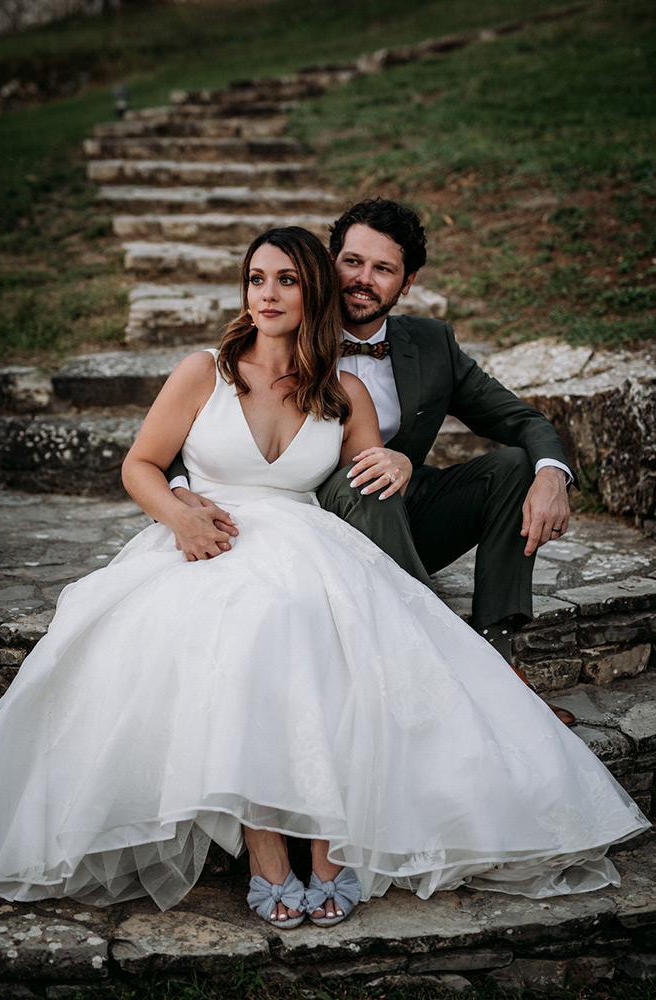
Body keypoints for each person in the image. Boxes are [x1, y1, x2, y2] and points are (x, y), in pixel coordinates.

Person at [0, 227, 648, 927]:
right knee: (245, 626)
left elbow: (372, 485)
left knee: (317, 624)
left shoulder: (345, 390)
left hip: (309, 538)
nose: (267, 294)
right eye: (255, 279)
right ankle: (268, 848)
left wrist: (400, 465)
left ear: (314, 291)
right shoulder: (202, 371)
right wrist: (177, 515)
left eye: (286, 281)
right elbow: (139, 465)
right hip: (210, 536)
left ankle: (330, 844)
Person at [168, 198, 577, 724]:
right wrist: (181, 493)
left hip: (402, 510)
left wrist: (551, 473)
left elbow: (521, 419)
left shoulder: (433, 345)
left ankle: (495, 649)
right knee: (365, 482)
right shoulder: (278, 328)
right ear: (328, 262)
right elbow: (205, 428)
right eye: (352, 262)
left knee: (518, 465)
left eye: (383, 269)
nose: (363, 279)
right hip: (313, 520)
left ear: (406, 283)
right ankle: (448, 654)